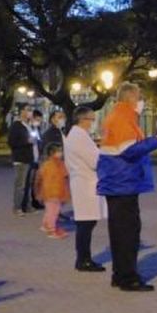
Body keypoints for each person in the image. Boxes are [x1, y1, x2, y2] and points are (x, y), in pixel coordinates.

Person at [97, 82, 157, 293]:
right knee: (128, 233)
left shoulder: (117, 117)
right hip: (123, 183)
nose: (142, 102)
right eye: (140, 97)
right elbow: (129, 150)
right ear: (131, 99)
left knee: (119, 232)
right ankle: (128, 277)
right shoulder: (123, 118)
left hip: (118, 183)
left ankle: (120, 274)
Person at [64, 106, 105, 272]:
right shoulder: (80, 136)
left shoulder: (76, 135)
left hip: (83, 181)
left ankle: (84, 258)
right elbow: (95, 161)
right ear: (83, 120)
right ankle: (83, 259)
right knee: (86, 223)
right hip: (85, 183)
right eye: (92, 120)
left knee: (87, 222)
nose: (93, 123)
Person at [35, 143, 71, 239]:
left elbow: (39, 177)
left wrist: (38, 190)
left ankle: (46, 225)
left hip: (47, 191)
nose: (61, 153)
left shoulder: (46, 164)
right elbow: (65, 175)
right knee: (54, 211)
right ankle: (51, 230)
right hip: (56, 191)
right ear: (53, 153)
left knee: (49, 210)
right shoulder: (59, 164)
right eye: (59, 151)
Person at [8, 105, 36, 216]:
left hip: (29, 158)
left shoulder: (29, 125)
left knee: (28, 184)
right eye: (28, 110)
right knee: (20, 185)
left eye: (31, 110)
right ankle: (17, 207)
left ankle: (27, 206)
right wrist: (27, 141)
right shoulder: (16, 126)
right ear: (22, 112)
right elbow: (12, 142)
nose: (30, 112)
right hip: (20, 159)